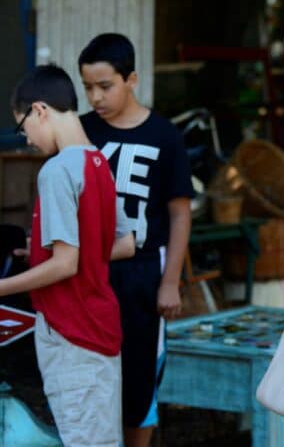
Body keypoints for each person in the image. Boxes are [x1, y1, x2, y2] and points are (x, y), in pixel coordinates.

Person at [4, 65, 134, 446]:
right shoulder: (99, 164)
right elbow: (125, 243)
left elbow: (66, 263)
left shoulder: (57, 169)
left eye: (23, 127)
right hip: (100, 328)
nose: (26, 139)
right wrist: (43, 250)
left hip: (70, 330)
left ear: (40, 110)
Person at [78, 33, 194, 447]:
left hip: (144, 273)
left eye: (105, 86)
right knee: (91, 371)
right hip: (87, 270)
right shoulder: (81, 131)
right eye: (88, 87)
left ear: (132, 79)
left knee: (140, 373)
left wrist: (170, 280)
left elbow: (180, 213)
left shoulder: (164, 136)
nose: (95, 97)